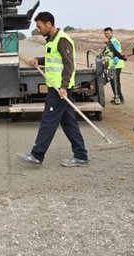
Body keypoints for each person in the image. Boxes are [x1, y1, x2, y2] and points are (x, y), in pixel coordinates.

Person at [17, 12, 89, 167]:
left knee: (48, 121)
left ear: (49, 24)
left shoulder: (62, 40)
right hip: (56, 88)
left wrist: (63, 87)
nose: (38, 29)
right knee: (69, 123)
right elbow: (53, 59)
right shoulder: (52, 41)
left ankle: (37, 155)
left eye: (39, 26)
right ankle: (81, 155)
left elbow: (69, 65)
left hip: (59, 90)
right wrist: (39, 60)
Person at [103, 27, 127, 105]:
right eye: (105, 33)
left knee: (115, 82)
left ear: (112, 33)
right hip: (113, 66)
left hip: (116, 65)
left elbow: (116, 54)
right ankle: (117, 97)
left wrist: (113, 66)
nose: (107, 35)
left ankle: (120, 98)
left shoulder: (114, 41)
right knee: (113, 82)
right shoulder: (110, 42)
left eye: (108, 33)